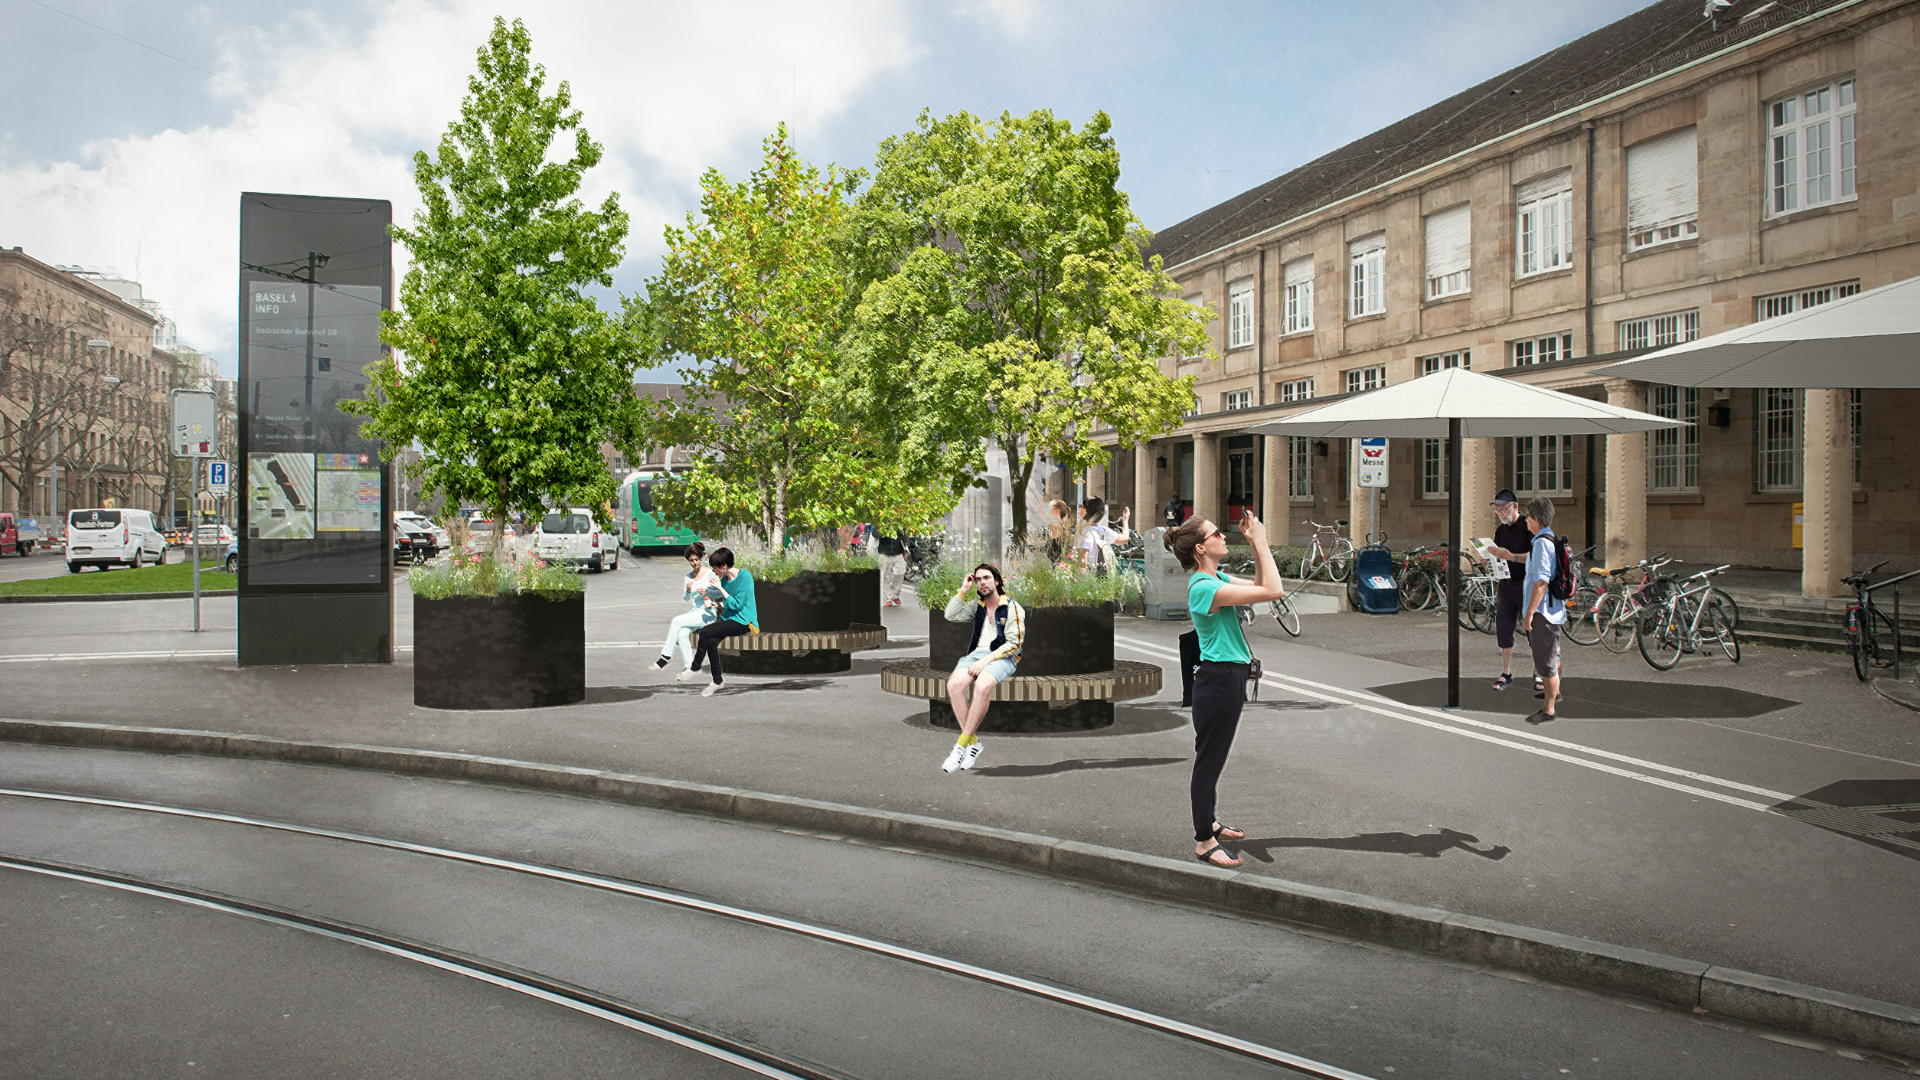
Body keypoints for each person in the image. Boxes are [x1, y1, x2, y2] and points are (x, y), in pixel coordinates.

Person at [1164, 509, 1286, 868]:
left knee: (1212, 757)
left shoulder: (1215, 577)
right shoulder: (1205, 588)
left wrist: (1254, 544)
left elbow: (1262, 586)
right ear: (1201, 548)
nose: (1223, 536)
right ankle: (1203, 840)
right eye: (1215, 533)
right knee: (1209, 762)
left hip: (1225, 678)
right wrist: (1261, 541)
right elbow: (1273, 590)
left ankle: (1210, 821)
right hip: (1218, 682)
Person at [940, 563, 1026, 773]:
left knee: (981, 686)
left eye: (986, 578)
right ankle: (974, 744)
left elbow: (1015, 644)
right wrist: (964, 589)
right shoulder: (976, 606)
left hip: (1003, 657)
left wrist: (985, 661)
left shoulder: (1012, 607)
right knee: (953, 686)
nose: (982, 583)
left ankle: (960, 746)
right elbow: (950, 615)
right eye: (978, 579)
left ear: (997, 581)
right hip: (977, 655)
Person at [1480, 490, 1538, 693]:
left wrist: (1511, 556)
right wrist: (1488, 559)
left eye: (1503, 510)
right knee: (1504, 629)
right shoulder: (1500, 530)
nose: (1501, 515)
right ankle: (1506, 672)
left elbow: (1536, 557)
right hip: (1506, 584)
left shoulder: (1529, 526)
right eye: (1497, 511)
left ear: (1515, 506)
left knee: (1533, 629)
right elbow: (1499, 556)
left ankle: (1538, 671)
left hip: (1527, 584)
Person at [688, 546, 757, 697]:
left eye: (715, 568)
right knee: (711, 642)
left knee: (705, 631)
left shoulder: (745, 577)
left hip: (745, 621)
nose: (713, 571)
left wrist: (720, 587)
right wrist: (716, 603)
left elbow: (738, 605)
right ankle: (717, 681)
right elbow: (728, 603)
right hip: (731, 618)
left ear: (724, 566)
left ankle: (695, 667)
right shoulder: (725, 579)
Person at [1520, 496, 1565, 725]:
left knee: (1545, 662)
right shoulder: (1549, 538)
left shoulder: (1540, 543)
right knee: (1552, 655)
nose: (1525, 520)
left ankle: (1548, 709)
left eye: (1527, 516)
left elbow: (1541, 582)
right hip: (1552, 610)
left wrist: (1529, 613)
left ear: (1535, 518)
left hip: (1543, 613)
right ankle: (1553, 694)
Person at [652, 543, 720, 674]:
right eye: (691, 560)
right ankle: (691, 666)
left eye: (696, 559)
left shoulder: (710, 573)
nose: (694, 563)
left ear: (701, 558)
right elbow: (686, 599)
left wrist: (706, 591)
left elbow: (719, 592)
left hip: (707, 613)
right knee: (682, 633)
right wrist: (688, 590)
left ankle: (665, 657)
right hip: (694, 612)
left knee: (676, 621)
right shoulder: (688, 577)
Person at [1074, 497, 1130, 573]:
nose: (1080, 508)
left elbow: (1083, 562)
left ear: (1086, 511)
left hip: (1089, 579)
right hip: (1103, 577)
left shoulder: (1083, 533)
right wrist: (1125, 520)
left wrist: (1079, 582)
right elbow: (1124, 539)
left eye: (1081, 507)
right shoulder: (1104, 531)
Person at [877, 531, 908, 606]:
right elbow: (875, 534)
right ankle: (889, 598)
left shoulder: (900, 523)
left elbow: (904, 537)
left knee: (899, 574)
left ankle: (895, 594)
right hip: (884, 553)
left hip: (898, 553)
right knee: (885, 576)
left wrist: (905, 551)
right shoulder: (881, 522)